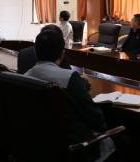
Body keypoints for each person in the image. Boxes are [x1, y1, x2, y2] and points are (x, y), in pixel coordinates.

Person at [25, 30, 115, 162]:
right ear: (62, 53)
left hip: (40, 146)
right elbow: (95, 116)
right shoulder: (69, 77)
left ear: (35, 52)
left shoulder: (24, 77)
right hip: (77, 148)